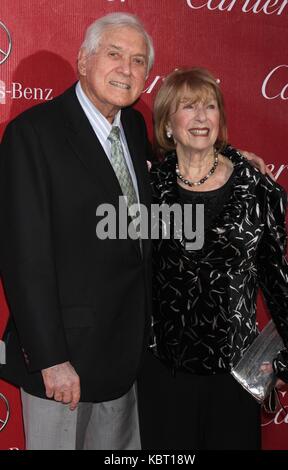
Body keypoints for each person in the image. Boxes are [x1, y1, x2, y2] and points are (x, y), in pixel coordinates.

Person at [0, 12, 154, 450]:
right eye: (114, 54)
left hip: (125, 362)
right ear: (84, 61)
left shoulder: (136, 128)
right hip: (63, 367)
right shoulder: (33, 134)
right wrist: (50, 359)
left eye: (139, 60)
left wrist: (239, 163)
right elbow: (23, 256)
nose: (127, 68)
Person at [137, 67, 288, 450]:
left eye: (209, 107)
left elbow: (278, 282)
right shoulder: (150, 190)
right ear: (168, 125)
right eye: (188, 107)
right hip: (164, 373)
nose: (200, 116)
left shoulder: (257, 188)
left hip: (235, 374)